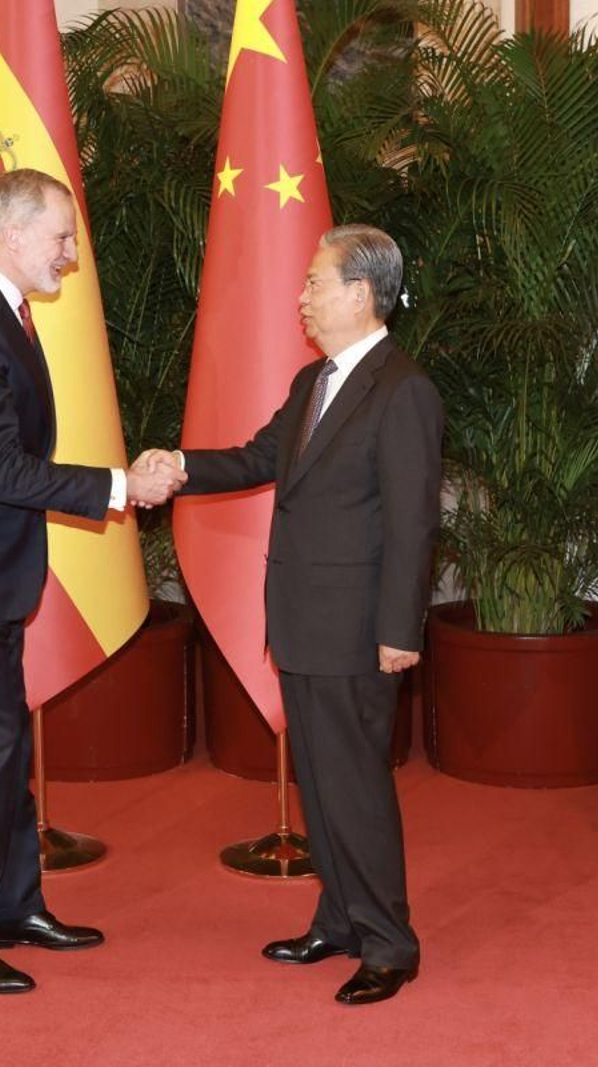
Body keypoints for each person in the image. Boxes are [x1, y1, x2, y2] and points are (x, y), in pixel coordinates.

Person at [0, 168, 184, 995]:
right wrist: (121, 487)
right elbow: (5, 468)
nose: (71, 254)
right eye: (61, 237)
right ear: (12, 235)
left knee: (5, 747)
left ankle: (11, 903)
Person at [137, 224, 443, 1006]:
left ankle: (389, 940)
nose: (302, 297)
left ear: (360, 294)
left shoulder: (403, 389)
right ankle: (338, 917)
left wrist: (399, 632)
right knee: (321, 781)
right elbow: (254, 457)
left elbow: (412, 524)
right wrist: (180, 466)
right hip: (303, 619)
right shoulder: (315, 383)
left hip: (358, 630)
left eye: (314, 282)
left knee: (357, 785)